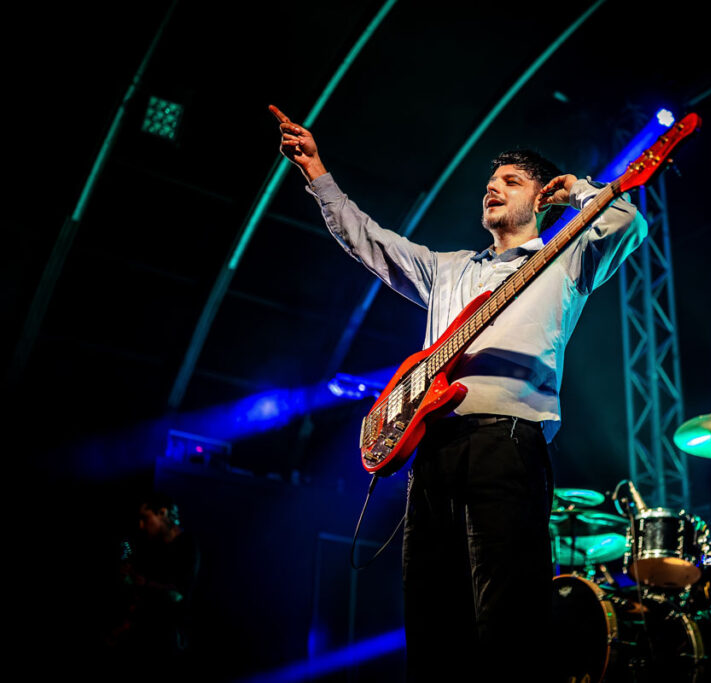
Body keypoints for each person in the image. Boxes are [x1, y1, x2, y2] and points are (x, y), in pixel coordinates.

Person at [271, 104, 647, 681]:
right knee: (430, 614)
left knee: (508, 613)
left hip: (509, 443)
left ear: (539, 199)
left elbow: (627, 222)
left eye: (511, 182)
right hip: (434, 448)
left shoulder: (567, 256)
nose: (493, 188)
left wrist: (576, 190)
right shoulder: (446, 269)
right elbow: (366, 238)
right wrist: (316, 172)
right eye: (491, 182)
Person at [108, 493, 199, 678]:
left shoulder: (186, 547)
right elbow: (126, 546)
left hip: (167, 642)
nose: (141, 526)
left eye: (145, 518)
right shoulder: (149, 544)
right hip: (141, 637)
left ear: (162, 513)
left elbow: (178, 594)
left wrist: (145, 583)